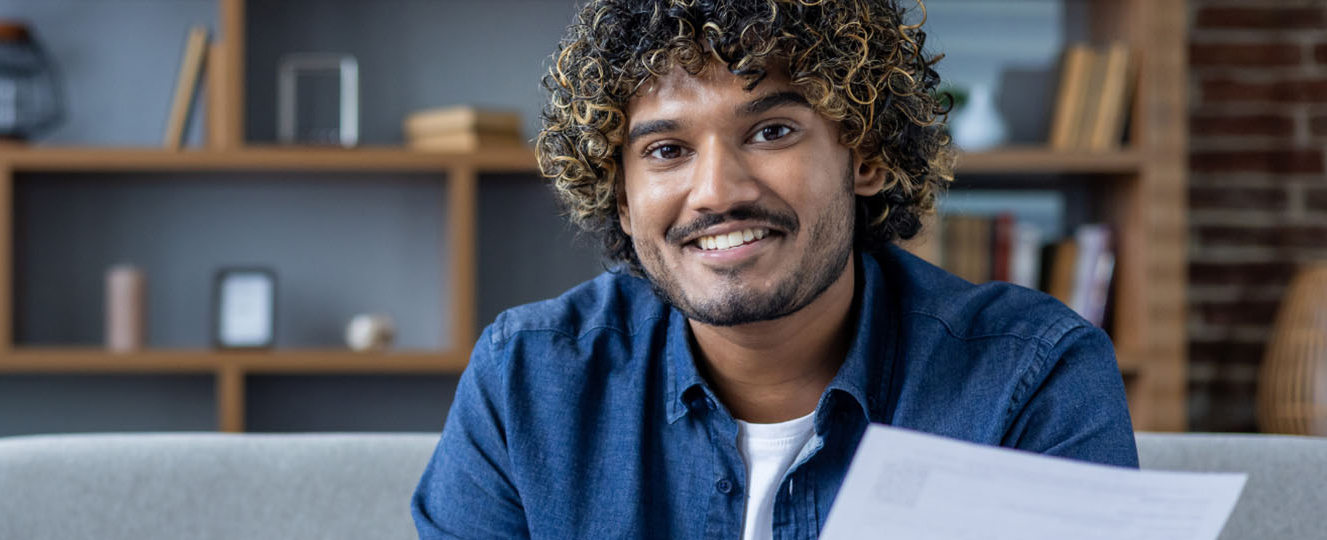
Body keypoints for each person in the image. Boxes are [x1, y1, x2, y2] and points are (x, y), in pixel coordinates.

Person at [410, 0, 1137, 538]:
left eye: (772, 131)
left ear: (867, 156)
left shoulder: (1029, 377)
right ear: (622, 199)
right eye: (666, 150)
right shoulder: (527, 380)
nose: (719, 191)